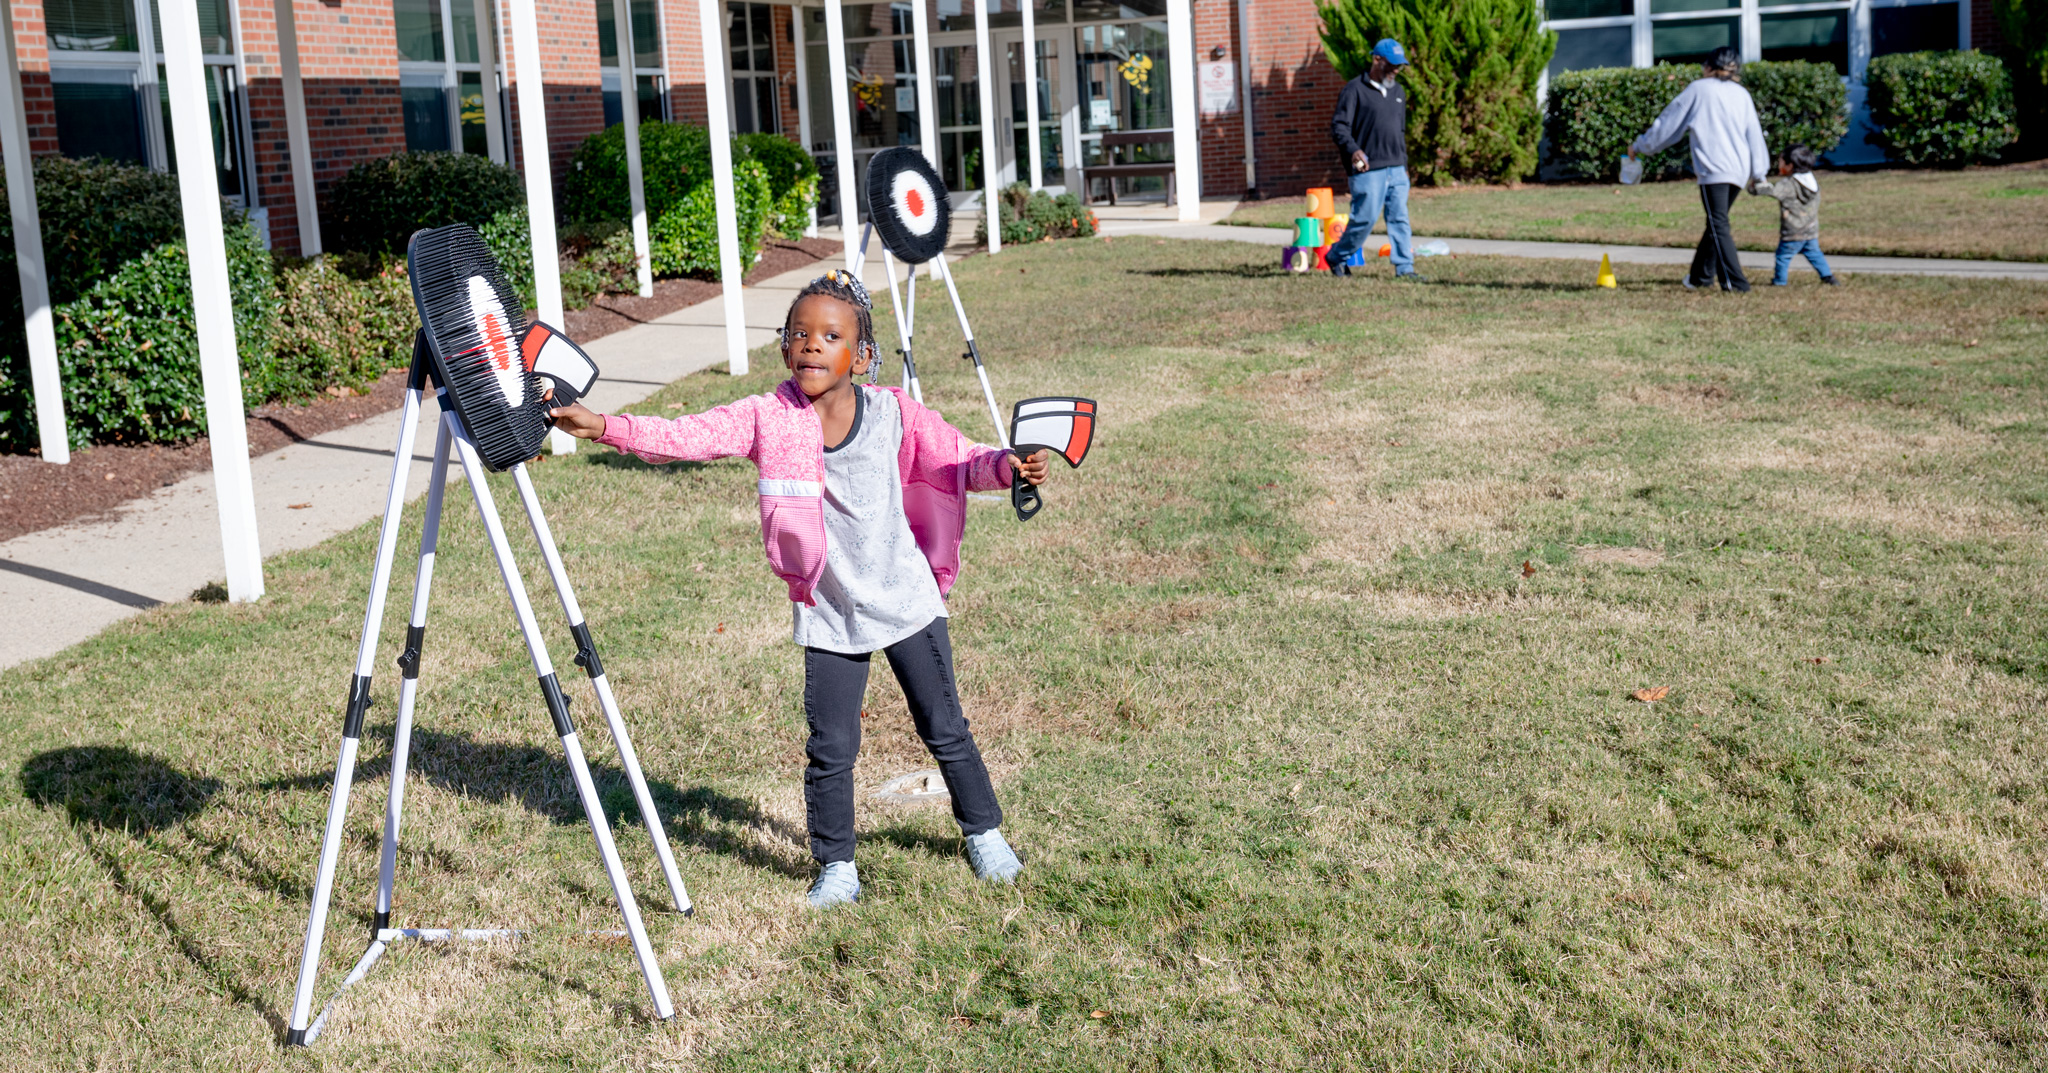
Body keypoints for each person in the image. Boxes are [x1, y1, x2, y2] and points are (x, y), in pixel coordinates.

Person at [547, 270, 1053, 909]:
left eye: (831, 335)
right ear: (784, 348)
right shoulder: (768, 418)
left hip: (906, 600)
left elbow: (959, 460)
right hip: (830, 613)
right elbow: (688, 435)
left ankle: (983, 833)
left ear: (862, 356)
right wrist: (604, 427)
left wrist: (1008, 467)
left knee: (944, 725)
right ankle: (837, 867)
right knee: (831, 747)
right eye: (800, 334)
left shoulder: (897, 413)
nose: (813, 345)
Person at [1627, 46, 1770, 293]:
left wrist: (1640, 146)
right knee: (1716, 223)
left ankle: (1736, 283)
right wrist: (1759, 173)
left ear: (1709, 67)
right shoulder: (1741, 94)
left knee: (1718, 223)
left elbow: (1668, 125)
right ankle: (1699, 277)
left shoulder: (1699, 89)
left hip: (1714, 169)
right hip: (1739, 170)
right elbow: (1754, 134)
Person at [1325, 37, 1421, 281]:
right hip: (1368, 169)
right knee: (1364, 218)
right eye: (1392, 64)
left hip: (1396, 167)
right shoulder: (1354, 90)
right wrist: (1354, 150)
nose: (1397, 70)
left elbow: (1399, 131)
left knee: (1399, 217)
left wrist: (1404, 165)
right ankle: (1337, 256)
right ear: (1377, 60)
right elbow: (1339, 127)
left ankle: (1405, 268)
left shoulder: (1398, 91)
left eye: (1400, 65)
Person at [1750, 145, 1837, 287]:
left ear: (1790, 165)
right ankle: (1828, 277)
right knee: (1815, 254)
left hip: (1793, 231)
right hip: (1810, 229)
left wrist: (1755, 186)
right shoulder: (1812, 182)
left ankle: (1780, 282)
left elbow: (1772, 191)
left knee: (1783, 257)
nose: (1779, 164)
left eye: (1781, 162)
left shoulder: (1789, 184)